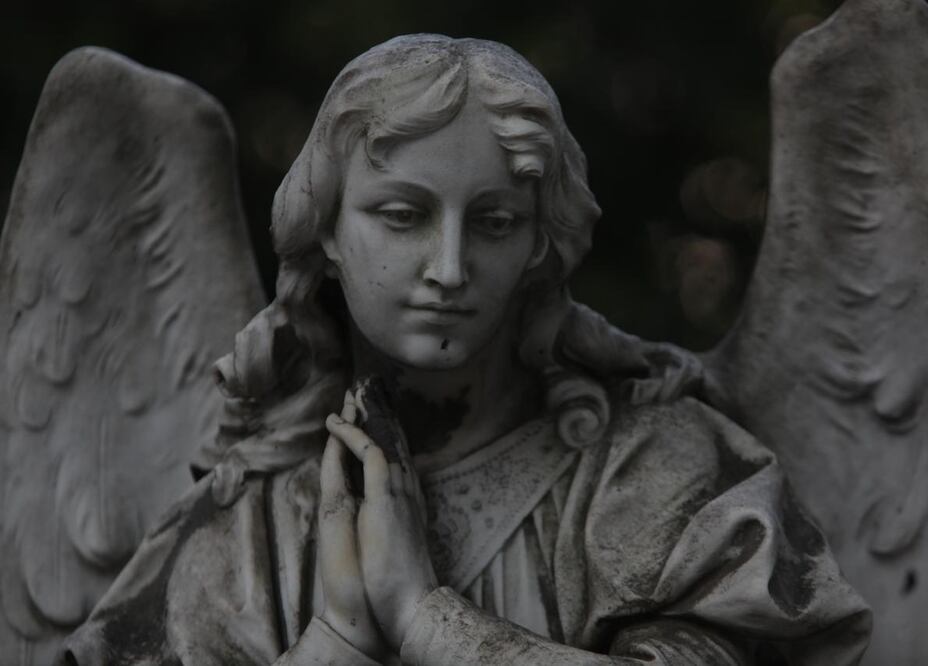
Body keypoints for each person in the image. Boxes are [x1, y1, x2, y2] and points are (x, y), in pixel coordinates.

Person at [65, 34, 870, 665]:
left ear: (536, 246)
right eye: (402, 215)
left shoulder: (657, 480)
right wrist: (338, 645)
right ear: (328, 232)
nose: (448, 269)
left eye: (492, 222)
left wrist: (427, 621)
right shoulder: (242, 535)